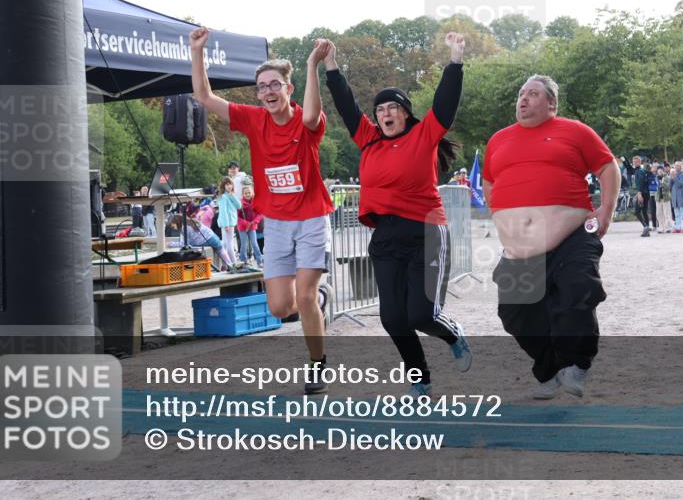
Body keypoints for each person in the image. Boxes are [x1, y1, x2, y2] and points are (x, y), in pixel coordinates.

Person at [321, 32, 472, 397]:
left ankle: (452, 334)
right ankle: (420, 378)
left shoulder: (424, 135)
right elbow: (345, 105)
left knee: (421, 315)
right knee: (392, 318)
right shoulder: (368, 139)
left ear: (405, 113)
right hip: (385, 237)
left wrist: (455, 61)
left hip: (426, 232)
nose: (385, 114)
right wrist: (331, 66)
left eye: (392, 108)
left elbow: (445, 104)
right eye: (380, 110)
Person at [189, 26, 335, 395]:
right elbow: (204, 96)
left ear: (289, 89)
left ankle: (317, 365)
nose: (268, 92)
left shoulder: (305, 122)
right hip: (279, 224)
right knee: (279, 306)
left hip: (311, 219)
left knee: (302, 296)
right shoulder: (254, 120)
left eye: (275, 85)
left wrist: (312, 66)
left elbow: (313, 114)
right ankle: (319, 299)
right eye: (262, 87)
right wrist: (197, 52)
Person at [481, 74, 618, 400]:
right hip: (519, 246)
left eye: (532, 94)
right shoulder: (498, 140)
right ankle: (550, 369)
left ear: (551, 103)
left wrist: (606, 210)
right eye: (520, 94)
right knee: (515, 314)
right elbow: (489, 182)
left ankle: (577, 363)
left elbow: (607, 166)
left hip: (572, 233)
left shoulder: (575, 131)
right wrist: (505, 215)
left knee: (578, 288)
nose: (523, 99)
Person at [216, 175, 242, 267]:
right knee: (229, 244)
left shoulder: (231, 195)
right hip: (227, 223)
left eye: (230, 184)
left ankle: (226, 264)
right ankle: (233, 263)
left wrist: (233, 196)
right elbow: (223, 212)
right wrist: (226, 224)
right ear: (223, 186)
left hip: (230, 223)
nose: (229, 186)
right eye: (227, 184)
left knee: (226, 244)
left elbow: (239, 206)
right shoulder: (223, 197)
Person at [237, 184, 264, 268]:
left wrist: (254, 221)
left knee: (255, 244)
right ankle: (243, 261)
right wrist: (245, 223)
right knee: (244, 245)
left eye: (249, 193)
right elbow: (237, 217)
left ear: (252, 193)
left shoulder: (256, 202)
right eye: (246, 193)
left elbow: (260, 213)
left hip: (252, 226)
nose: (248, 194)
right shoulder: (240, 203)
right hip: (242, 228)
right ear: (243, 194)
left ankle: (260, 261)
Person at [632, 156, 652, 237]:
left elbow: (641, 183)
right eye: (634, 161)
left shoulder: (640, 171)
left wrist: (639, 193)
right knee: (644, 211)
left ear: (640, 162)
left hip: (643, 193)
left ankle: (646, 227)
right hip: (646, 193)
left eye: (636, 161)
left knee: (637, 211)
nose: (635, 163)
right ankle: (647, 230)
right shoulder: (640, 170)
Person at [670, 161, 683, 232]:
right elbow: (670, 186)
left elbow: (680, 184)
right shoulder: (674, 174)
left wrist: (674, 177)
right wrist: (671, 177)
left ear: (681, 166)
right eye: (675, 165)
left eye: (678, 165)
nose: (676, 167)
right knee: (677, 213)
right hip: (675, 197)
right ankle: (678, 227)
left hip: (682, 197)